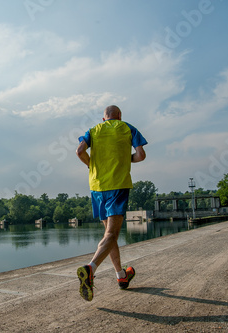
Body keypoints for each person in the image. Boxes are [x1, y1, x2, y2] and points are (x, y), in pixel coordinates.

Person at [75, 105, 147, 301]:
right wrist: (124, 159)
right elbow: (141, 155)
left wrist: (92, 164)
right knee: (112, 234)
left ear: (103, 118)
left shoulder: (93, 130)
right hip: (117, 185)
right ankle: (91, 268)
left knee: (109, 235)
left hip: (96, 187)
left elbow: (79, 151)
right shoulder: (128, 128)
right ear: (119, 116)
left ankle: (121, 276)